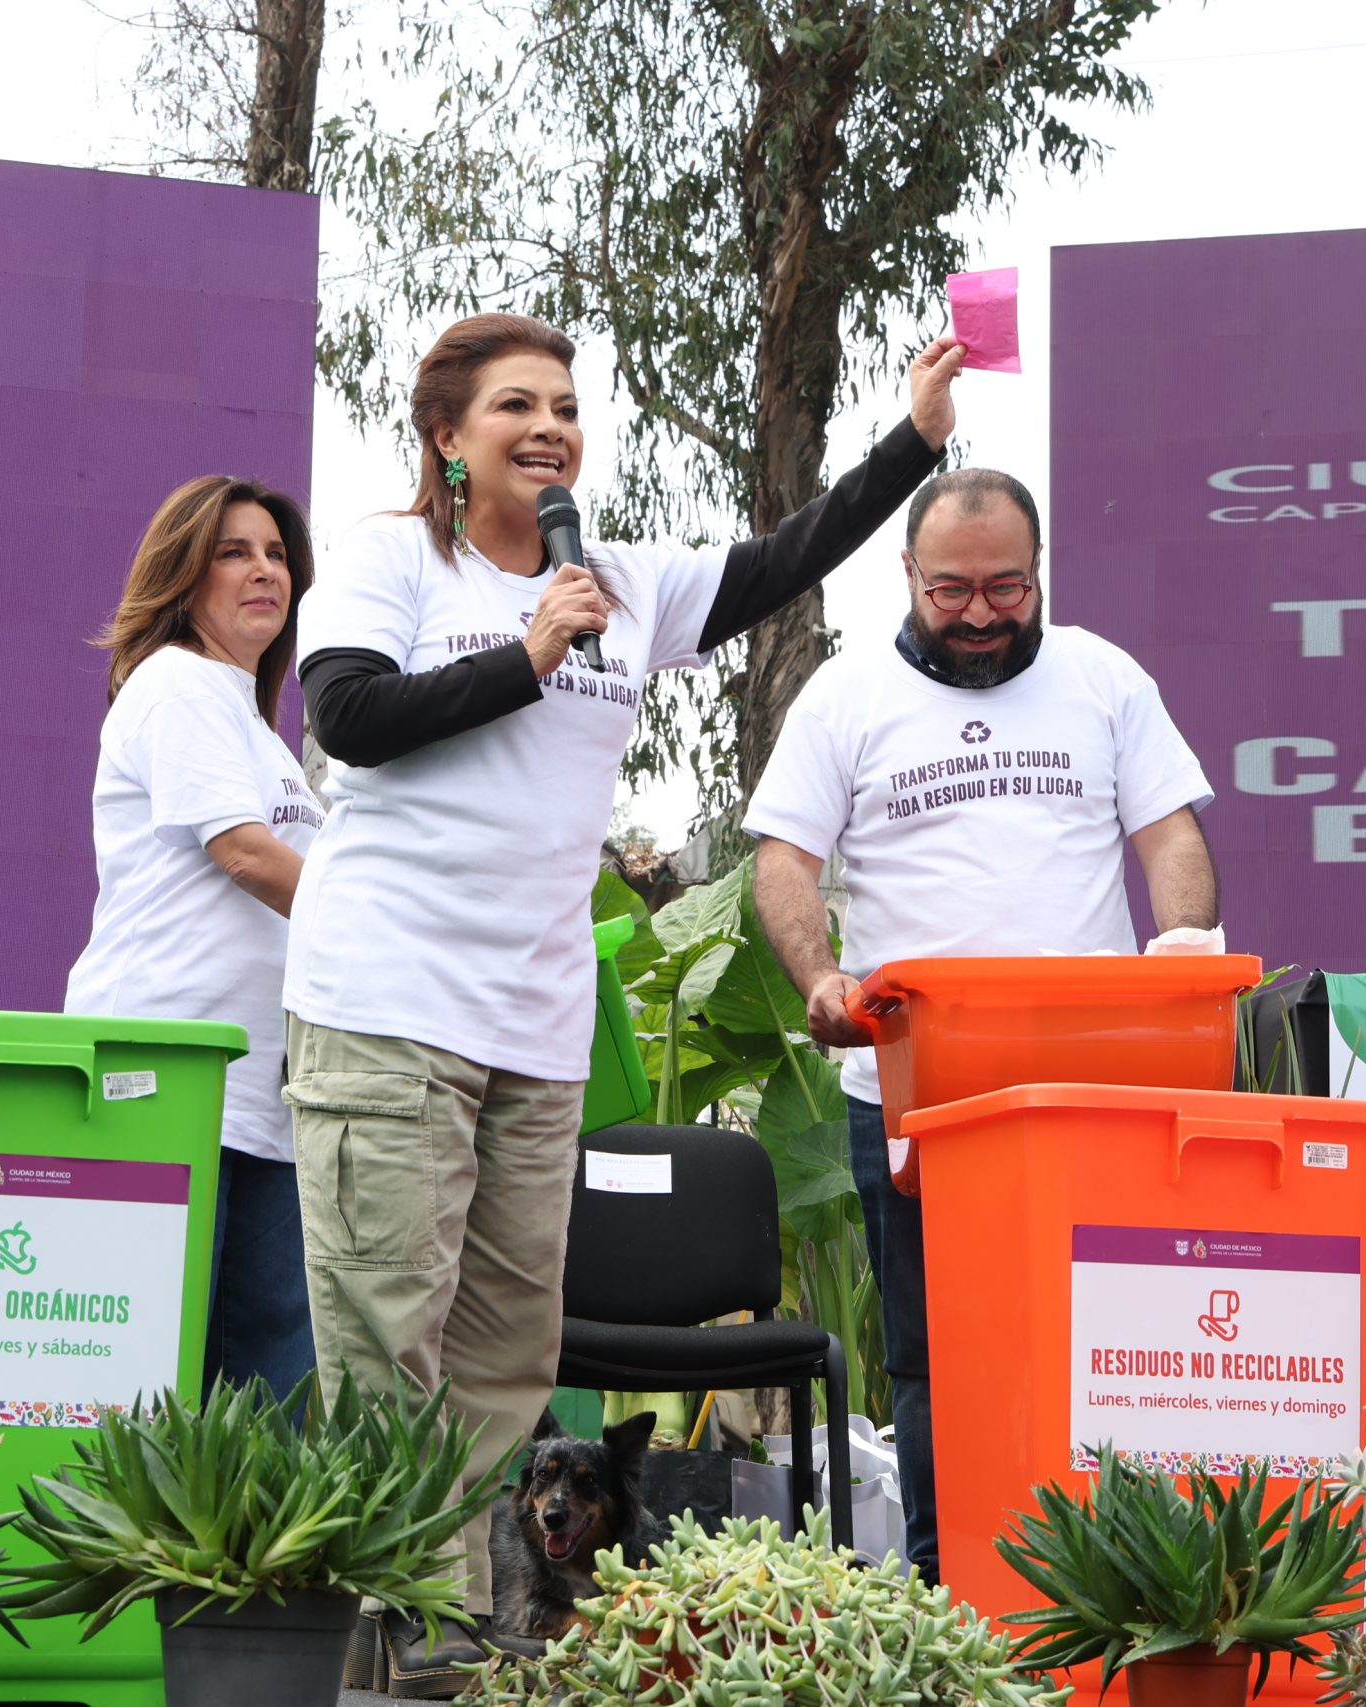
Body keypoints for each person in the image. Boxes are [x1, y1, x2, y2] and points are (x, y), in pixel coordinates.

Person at [287, 311, 962, 1690]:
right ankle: (415, 1630)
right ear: (448, 437)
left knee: (504, 1347)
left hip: (532, 1026)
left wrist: (917, 440)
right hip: (387, 1000)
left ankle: (448, 1628)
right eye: (515, 406)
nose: (549, 428)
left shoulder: (619, 577)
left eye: (565, 407)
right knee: (386, 1332)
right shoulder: (390, 558)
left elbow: (787, 557)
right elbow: (346, 715)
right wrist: (527, 655)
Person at [746, 466, 1219, 1586]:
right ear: (905, 573)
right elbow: (783, 860)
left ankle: (1108, 1588)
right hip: (914, 1092)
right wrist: (818, 977)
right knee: (929, 1358)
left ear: (1038, 570)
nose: (978, 615)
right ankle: (948, 1592)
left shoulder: (1103, 678)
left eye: (1005, 588)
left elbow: (1171, 840)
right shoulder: (844, 695)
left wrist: (1187, 943)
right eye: (950, 590)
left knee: (1112, 1347)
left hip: (1092, 1090)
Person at [63, 475, 321, 1397]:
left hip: (260, 1098)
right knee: (149, 1391)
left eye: (278, 555)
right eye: (234, 552)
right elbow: (248, 855)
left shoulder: (258, 730)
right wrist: (382, 932)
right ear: (183, 575)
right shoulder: (177, 682)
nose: (265, 571)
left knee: (260, 1403)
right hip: (164, 1079)